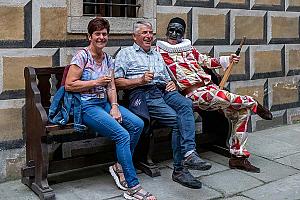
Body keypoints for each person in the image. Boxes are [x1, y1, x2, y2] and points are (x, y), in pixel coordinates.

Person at [156, 17, 273, 173]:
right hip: (193, 94)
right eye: (172, 29)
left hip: (210, 88)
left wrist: (228, 59)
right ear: (166, 30)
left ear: (183, 33)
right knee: (231, 99)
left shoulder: (189, 49)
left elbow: (207, 61)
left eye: (178, 30)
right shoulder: (158, 51)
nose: (174, 33)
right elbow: (156, 72)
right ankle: (252, 102)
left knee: (242, 112)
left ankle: (238, 158)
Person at [65, 17, 156, 200]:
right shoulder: (81, 56)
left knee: (137, 124)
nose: (101, 37)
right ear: (89, 36)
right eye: (97, 34)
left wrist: (114, 106)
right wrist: (95, 82)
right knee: (122, 135)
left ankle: (119, 166)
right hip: (86, 107)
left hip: (104, 104)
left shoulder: (108, 58)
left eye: (104, 34)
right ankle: (133, 187)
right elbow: (69, 85)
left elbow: (111, 86)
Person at [114, 21, 212, 190]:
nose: (149, 36)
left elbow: (169, 77)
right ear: (134, 36)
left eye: (151, 32)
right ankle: (180, 170)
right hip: (143, 93)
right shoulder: (125, 53)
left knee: (186, 103)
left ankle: (189, 152)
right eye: (144, 32)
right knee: (177, 121)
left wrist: (172, 83)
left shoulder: (156, 54)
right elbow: (117, 82)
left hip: (164, 91)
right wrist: (139, 80)